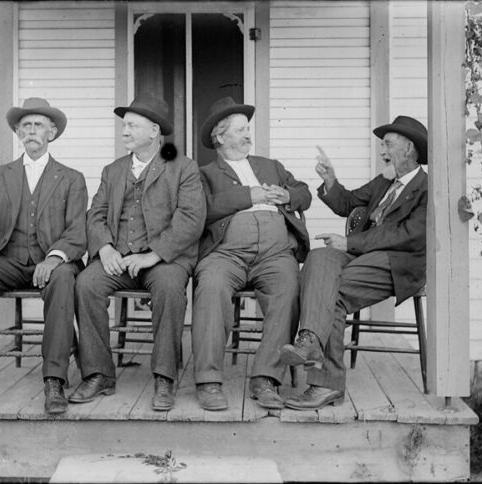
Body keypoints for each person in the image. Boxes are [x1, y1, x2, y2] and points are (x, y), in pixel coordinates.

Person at [0, 98, 88, 415]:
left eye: (39, 125)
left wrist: (54, 258)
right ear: (18, 132)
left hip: (51, 263)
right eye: (26, 125)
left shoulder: (71, 178)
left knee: (63, 278)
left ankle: (54, 380)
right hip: (8, 261)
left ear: (51, 132)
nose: (32, 131)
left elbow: (78, 231)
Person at [280, 115, 428, 410]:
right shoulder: (386, 181)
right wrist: (330, 181)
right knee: (319, 255)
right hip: (362, 254)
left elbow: (406, 235)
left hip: (397, 262)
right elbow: (347, 202)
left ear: (409, 148)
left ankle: (324, 380)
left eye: (387, 144)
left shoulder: (426, 188)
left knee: (330, 293)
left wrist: (350, 243)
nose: (382, 150)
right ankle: (310, 341)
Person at [70, 93, 206, 411]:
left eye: (132, 125)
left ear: (154, 131)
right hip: (118, 256)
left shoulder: (183, 167)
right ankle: (98, 373)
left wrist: (153, 254)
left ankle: (164, 377)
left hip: (162, 260)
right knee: (86, 284)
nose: (124, 131)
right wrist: (104, 248)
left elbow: (191, 219)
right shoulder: (113, 170)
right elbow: (96, 214)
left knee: (171, 288)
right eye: (124, 125)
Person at [192, 97, 311, 411]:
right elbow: (201, 210)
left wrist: (288, 194)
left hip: (275, 253)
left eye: (248, 130)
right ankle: (208, 381)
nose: (248, 136)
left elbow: (304, 192)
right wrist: (250, 195)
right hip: (225, 253)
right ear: (220, 137)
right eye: (241, 130)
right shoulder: (203, 173)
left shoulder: (268, 165)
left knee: (289, 288)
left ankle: (266, 378)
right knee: (211, 288)